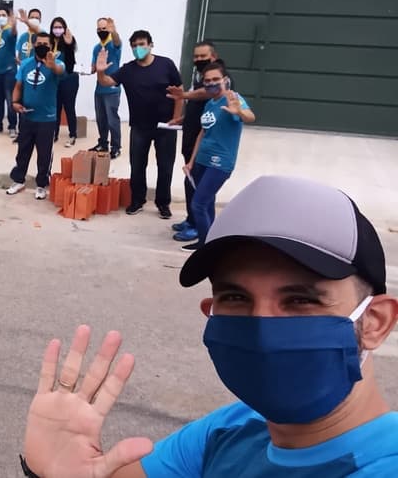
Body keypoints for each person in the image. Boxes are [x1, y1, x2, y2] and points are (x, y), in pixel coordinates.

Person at [20, 174, 398, 478]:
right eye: (236, 298)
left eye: (301, 300)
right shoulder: (236, 428)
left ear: (375, 322)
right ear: (210, 311)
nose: (264, 328)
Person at [96, 30, 183, 219]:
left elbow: (180, 92)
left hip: (165, 126)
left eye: (142, 44)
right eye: (134, 45)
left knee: (165, 166)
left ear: (151, 44)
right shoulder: (128, 70)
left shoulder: (166, 64)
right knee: (137, 165)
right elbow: (106, 82)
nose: (138, 48)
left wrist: (176, 118)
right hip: (140, 126)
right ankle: (137, 200)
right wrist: (100, 70)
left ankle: (163, 203)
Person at [181, 63, 255, 252]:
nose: (211, 83)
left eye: (216, 79)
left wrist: (238, 111)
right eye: (207, 80)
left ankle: (206, 247)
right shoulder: (209, 103)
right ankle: (211, 239)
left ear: (225, 80)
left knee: (198, 204)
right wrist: (191, 161)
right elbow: (202, 133)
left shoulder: (233, 99)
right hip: (202, 160)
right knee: (207, 202)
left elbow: (250, 116)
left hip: (220, 162)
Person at [168, 41, 228, 244]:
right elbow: (202, 109)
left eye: (203, 57)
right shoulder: (200, 76)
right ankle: (192, 220)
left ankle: (200, 229)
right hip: (191, 141)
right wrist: (182, 119)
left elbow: (206, 94)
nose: (199, 60)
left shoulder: (218, 80)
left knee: (201, 189)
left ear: (214, 56)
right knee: (191, 182)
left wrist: (184, 95)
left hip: (206, 147)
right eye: (196, 57)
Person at [6, 32, 65, 200]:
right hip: (27, 117)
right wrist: (15, 102)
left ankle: (41, 185)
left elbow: (60, 70)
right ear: (33, 45)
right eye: (38, 43)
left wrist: (52, 65)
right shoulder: (25, 64)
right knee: (23, 151)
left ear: (51, 46)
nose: (42, 46)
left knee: (44, 154)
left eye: (45, 43)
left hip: (47, 119)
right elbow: (18, 85)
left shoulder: (57, 63)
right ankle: (18, 180)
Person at [90, 18, 123, 158]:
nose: (101, 31)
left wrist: (113, 31)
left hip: (112, 90)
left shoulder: (114, 45)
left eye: (104, 28)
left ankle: (116, 147)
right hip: (99, 89)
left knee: (112, 119)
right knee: (101, 119)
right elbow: (93, 68)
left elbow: (117, 41)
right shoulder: (96, 48)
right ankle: (103, 143)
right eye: (99, 29)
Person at [0, 7, 18, 139]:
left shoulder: (9, 32)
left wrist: (14, 24)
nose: (1, 16)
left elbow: (14, 33)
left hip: (9, 72)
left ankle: (12, 126)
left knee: (10, 100)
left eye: (3, 15)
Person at [49, 17, 78, 148]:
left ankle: (72, 134)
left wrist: (69, 44)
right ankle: (54, 133)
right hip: (54, 80)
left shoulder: (69, 40)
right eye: (55, 27)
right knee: (56, 107)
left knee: (69, 107)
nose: (57, 29)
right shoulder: (49, 42)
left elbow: (71, 64)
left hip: (69, 79)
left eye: (60, 27)